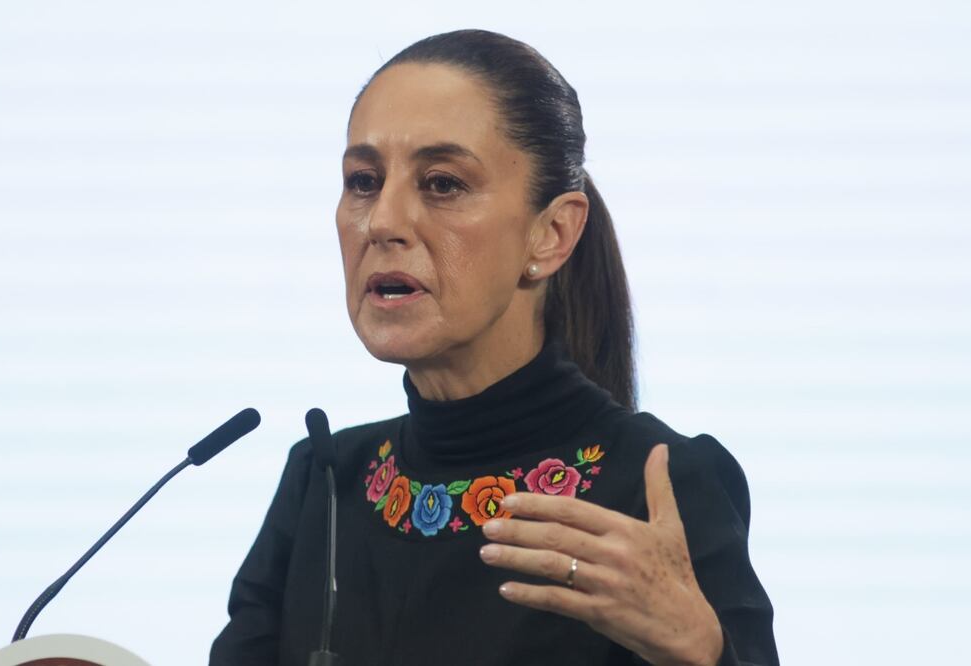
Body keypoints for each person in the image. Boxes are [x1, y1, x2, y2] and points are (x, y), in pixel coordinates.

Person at [210, 29, 778, 666]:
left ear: (551, 234)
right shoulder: (325, 481)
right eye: (364, 180)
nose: (384, 222)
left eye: (443, 183)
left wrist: (703, 654)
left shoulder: (658, 485)